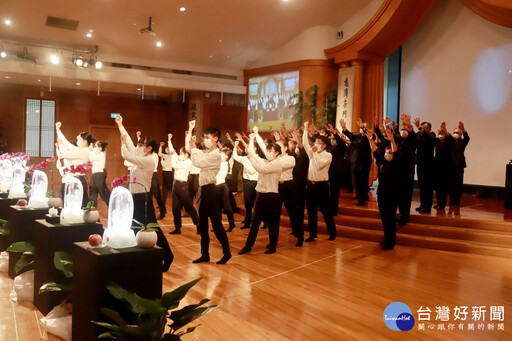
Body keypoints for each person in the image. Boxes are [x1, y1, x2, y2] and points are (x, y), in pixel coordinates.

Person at [115, 115, 173, 271]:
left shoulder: (149, 160)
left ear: (148, 149)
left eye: (141, 145)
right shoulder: (141, 155)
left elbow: (126, 154)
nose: (138, 146)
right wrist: (121, 124)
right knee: (134, 227)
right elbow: (128, 141)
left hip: (143, 198)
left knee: (152, 228)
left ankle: (168, 256)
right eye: (139, 144)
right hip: (134, 197)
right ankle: (137, 258)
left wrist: (122, 143)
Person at [188, 120, 231, 264]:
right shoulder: (207, 153)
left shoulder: (216, 155)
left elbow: (197, 162)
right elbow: (194, 153)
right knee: (203, 225)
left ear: (215, 139)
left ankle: (227, 252)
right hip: (204, 190)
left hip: (210, 191)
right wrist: (190, 130)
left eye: (207, 137)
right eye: (204, 137)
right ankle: (205, 254)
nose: (205, 140)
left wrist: (194, 147)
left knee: (216, 224)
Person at [238, 128, 283, 255]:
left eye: (271, 150)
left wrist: (251, 158)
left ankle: (273, 246)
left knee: (272, 223)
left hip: (271, 196)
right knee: (255, 222)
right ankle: (248, 246)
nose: (267, 152)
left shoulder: (277, 164)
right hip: (260, 195)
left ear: (277, 153)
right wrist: (253, 138)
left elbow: (261, 169)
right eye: (267, 150)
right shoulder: (265, 160)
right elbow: (253, 152)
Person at [366, 127, 399, 250]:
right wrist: (370, 140)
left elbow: (396, 152)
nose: (388, 154)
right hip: (382, 194)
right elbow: (375, 151)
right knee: (384, 219)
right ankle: (386, 239)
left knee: (391, 219)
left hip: (393, 195)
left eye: (390, 152)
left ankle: (391, 242)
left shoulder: (396, 163)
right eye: (386, 152)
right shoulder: (383, 162)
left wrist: (392, 141)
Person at [303, 122, 336, 242]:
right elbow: (305, 144)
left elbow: (319, 166)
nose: (315, 144)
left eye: (318, 143)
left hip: (322, 186)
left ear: (324, 145)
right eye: (315, 142)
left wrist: (314, 152)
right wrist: (306, 129)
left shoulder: (328, 156)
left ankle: (332, 233)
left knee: (325, 211)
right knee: (311, 212)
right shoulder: (313, 153)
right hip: (310, 185)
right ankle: (312, 234)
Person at [55, 122, 93, 206]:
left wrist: (60, 144)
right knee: (81, 205)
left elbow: (66, 155)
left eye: (79, 139)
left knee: (81, 205)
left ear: (85, 141)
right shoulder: (81, 150)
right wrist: (58, 130)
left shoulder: (84, 151)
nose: (77, 141)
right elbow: (67, 144)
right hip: (77, 180)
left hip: (79, 180)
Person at [341, 118, 372, 206]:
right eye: (361, 127)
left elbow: (361, 145)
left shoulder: (369, 137)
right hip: (357, 161)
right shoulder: (359, 136)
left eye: (364, 127)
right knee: (357, 180)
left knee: (363, 181)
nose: (361, 129)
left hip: (365, 162)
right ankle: (360, 195)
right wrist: (344, 128)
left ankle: (362, 199)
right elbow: (351, 136)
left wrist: (349, 143)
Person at [232, 133, 258, 230]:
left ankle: (261, 222)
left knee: (256, 203)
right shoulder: (245, 158)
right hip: (247, 182)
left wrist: (245, 163)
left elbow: (253, 170)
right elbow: (234, 156)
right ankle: (247, 222)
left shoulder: (258, 158)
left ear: (255, 149)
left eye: (250, 148)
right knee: (247, 203)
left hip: (256, 182)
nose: (247, 149)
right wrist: (235, 146)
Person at [169, 147, 198, 234]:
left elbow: (174, 165)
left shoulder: (188, 162)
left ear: (186, 154)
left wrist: (173, 155)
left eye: (181, 153)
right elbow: (174, 156)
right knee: (175, 208)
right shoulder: (181, 160)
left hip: (183, 186)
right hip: (176, 184)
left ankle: (199, 226)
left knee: (189, 207)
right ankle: (177, 228)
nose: (179, 155)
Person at [414, 119, 436, 214]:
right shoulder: (418, 135)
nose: (422, 130)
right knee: (421, 185)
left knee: (428, 186)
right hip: (420, 163)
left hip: (429, 164)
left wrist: (421, 129)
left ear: (429, 129)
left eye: (424, 128)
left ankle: (427, 207)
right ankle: (422, 205)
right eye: (421, 128)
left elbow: (429, 139)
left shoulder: (432, 135)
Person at [433, 122, 454, 210]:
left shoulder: (448, 141)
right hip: (437, 166)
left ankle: (442, 204)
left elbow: (451, 138)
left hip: (446, 167)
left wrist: (445, 131)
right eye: (439, 133)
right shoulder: (437, 140)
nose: (440, 135)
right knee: (437, 187)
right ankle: (438, 202)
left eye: (442, 134)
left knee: (443, 187)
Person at [450, 121, 470, 208]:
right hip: (450, 165)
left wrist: (463, 130)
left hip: (459, 165)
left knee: (458, 184)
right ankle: (451, 199)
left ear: (460, 134)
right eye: (454, 132)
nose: (455, 134)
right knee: (450, 184)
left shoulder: (462, 142)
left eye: (457, 132)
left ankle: (457, 200)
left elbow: (467, 138)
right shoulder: (450, 142)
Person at [216, 148, 236, 232]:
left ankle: (232, 224)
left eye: (222, 154)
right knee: (217, 208)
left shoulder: (224, 164)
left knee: (227, 207)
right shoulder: (220, 163)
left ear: (226, 157)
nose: (220, 155)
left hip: (222, 187)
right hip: (216, 186)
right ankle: (218, 225)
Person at [89, 141, 111, 207]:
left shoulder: (101, 154)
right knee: (93, 193)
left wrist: (90, 148)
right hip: (95, 175)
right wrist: (91, 147)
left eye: (96, 146)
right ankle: (92, 211)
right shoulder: (96, 153)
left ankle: (113, 205)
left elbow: (92, 157)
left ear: (100, 148)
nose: (95, 148)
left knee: (103, 193)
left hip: (99, 174)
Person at [158, 134, 174, 219]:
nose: (166, 149)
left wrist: (161, 159)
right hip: (165, 173)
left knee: (171, 189)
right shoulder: (166, 156)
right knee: (164, 190)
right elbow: (159, 153)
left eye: (167, 148)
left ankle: (180, 203)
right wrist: (160, 146)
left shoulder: (171, 156)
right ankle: (162, 205)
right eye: (166, 148)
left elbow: (164, 164)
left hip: (168, 173)